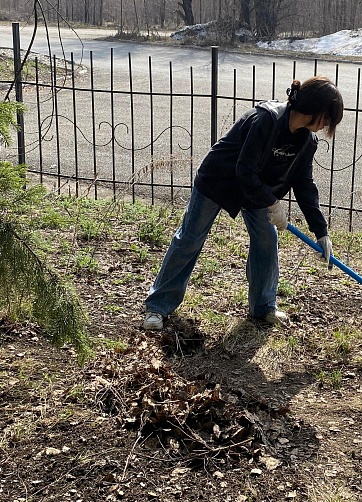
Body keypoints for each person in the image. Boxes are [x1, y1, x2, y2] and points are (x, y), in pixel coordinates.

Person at [142, 76, 344, 331]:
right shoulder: (265, 120)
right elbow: (244, 170)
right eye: (328, 117)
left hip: (256, 190)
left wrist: (321, 231)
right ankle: (157, 307)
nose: (327, 125)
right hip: (218, 181)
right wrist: (273, 203)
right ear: (315, 109)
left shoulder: (306, 142)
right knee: (190, 239)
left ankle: (262, 308)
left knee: (266, 240)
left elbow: (304, 186)